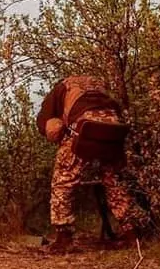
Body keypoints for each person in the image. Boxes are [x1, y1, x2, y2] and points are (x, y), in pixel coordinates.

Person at [36, 75, 152, 252]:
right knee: (114, 181)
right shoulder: (100, 87)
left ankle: (64, 237)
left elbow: (44, 122)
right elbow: (117, 110)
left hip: (85, 129)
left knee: (63, 181)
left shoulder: (61, 88)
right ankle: (132, 234)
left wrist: (58, 134)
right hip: (114, 131)